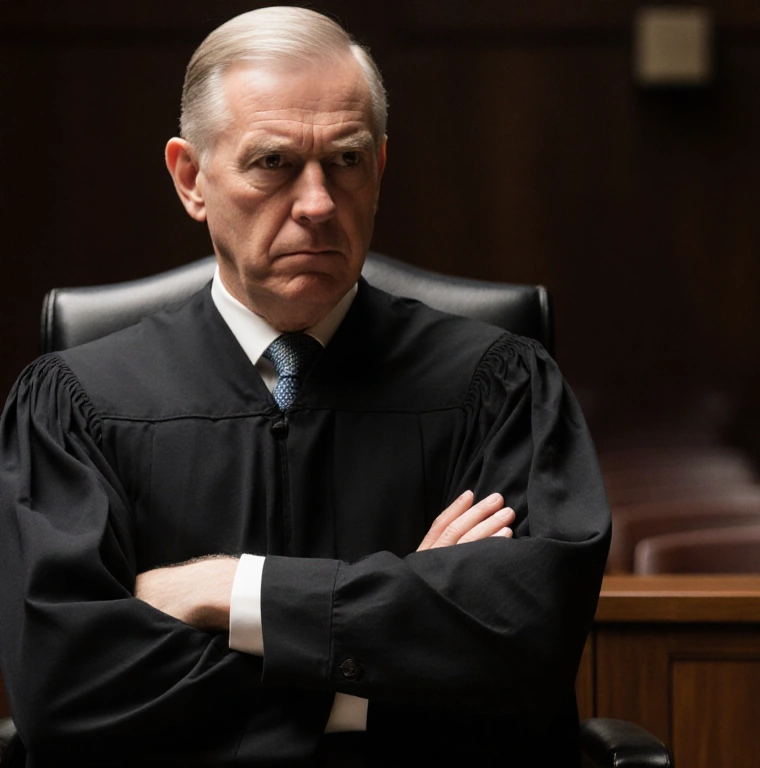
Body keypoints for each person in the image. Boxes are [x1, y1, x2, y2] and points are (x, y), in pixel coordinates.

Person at [0, 7, 609, 766]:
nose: (318, 202)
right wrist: (390, 640)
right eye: (273, 163)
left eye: (346, 161)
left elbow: (522, 650)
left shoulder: (499, 389)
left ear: (379, 170)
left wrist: (236, 592)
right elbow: (69, 693)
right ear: (192, 179)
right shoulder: (77, 406)